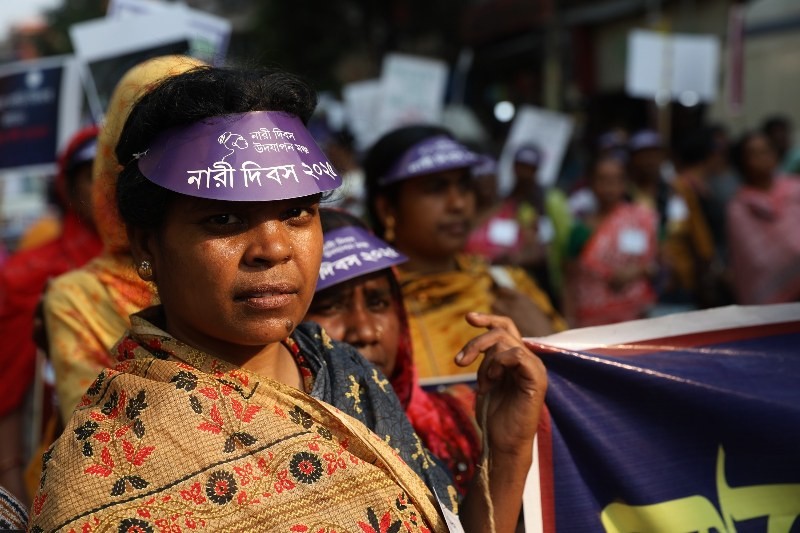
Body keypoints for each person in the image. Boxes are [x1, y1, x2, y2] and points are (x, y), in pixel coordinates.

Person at [30, 64, 547, 532]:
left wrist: (504, 450)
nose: (274, 249)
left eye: (297, 212)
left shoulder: (346, 374)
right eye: (224, 219)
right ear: (148, 244)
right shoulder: (105, 470)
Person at [44, 56, 206, 425]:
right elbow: (93, 434)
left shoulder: (265, 252)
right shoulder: (77, 298)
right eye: (158, 146)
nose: (188, 164)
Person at [364, 126, 565, 379]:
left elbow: (577, 390)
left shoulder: (509, 287)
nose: (458, 203)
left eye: (464, 186)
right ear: (387, 209)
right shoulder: (364, 311)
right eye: (436, 188)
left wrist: (544, 344)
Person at [306, 208, 481, 495]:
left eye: (377, 303)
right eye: (330, 306)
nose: (365, 331)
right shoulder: (282, 454)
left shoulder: (459, 423)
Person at [0, 125, 103, 503]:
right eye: (93, 176)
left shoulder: (161, 266)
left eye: (117, 175)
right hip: (52, 477)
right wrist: (10, 476)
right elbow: (8, 386)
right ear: (69, 188)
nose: (107, 189)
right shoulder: (29, 273)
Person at [564, 154, 658, 327]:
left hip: (634, 321)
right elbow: (569, 281)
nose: (609, 187)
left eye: (616, 180)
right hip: (590, 322)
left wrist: (639, 270)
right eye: (603, 180)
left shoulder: (640, 219)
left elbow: (660, 263)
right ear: (591, 183)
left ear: (625, 183)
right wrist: (568, 322)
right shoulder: (580, 231)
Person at [662, 127, 733, 308]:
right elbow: (681, 232)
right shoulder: (681, 188)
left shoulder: (704, 187)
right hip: (692, 276)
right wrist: (710, 267)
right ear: (709, 154)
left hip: (707, 270)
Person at [727, 131, 800, 305]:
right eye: (754, 154)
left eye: (766, 151)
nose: (762, 158)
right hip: (773, 299)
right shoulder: (739, 207)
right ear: (742, 162)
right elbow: (753, 258)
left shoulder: (795, 189)